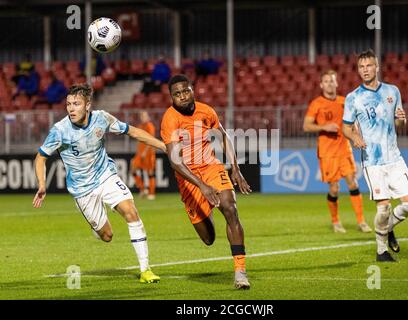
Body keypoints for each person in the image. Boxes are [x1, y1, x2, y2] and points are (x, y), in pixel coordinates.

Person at [33, 83, 166, 282]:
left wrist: (164, 146)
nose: (71, 108)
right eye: (68, 104)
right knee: (107, 236)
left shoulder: (102, 118)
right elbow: (40, 157)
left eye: (76, 104)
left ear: (88, 105)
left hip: (106, 176)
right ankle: (97, 226)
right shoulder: (60, 130)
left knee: (131, 211)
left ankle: (145, 269)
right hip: (82, 189)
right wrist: (42, 184)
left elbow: (134, 132)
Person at [161, 74, 252, 289]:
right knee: (208, 238)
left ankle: (240, 272)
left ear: (193, 90)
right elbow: (176, 163)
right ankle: (207, 207)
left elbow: (222, 136)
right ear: (171, 98)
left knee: (230, 207)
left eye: (186, 91)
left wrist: (235, 168)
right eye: (177, 94)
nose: (182, 96)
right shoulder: (170, 119)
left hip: (211, 166)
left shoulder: (206, 110)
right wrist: (201, 185)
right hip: (188, 178)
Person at [342, 49, 408, 262]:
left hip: (394, 157)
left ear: (377, 67)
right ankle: (381, 251)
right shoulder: (353, 98)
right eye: (361, 67)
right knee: (383, 208)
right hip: (373, 161)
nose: (365, 70)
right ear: (358, 70)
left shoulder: (393, 91)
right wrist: (354, 138)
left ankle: (387, 228)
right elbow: (346, 128)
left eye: (369, 66)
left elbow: (399, 122)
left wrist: (402, 119)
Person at [303, 70, 372, 234]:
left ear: (336, 83)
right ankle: (335, 222)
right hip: (327, 152)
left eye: (331, 81)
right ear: (321, 85)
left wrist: (356, 137)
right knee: (334, 188)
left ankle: (361, 221)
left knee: (353, 183)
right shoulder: (316, 103)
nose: (329, 83)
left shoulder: (344, 101)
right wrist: (323, 127)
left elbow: (352, 123)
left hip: (344, 149)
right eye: (326, 81)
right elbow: (306, 126)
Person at [131, 111, 157, 200]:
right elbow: (138, 140)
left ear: (148, 117)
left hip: (149, 153)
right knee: (133, 170)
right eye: (142, 116)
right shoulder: (140, 126)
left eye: (144, 116)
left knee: (150, 172)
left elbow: (151, 140)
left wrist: (145, 152)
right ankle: (143, 189)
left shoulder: (150, 126)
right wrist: (138, 152)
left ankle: (151, 193)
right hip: (140, 153)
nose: (143, 118)